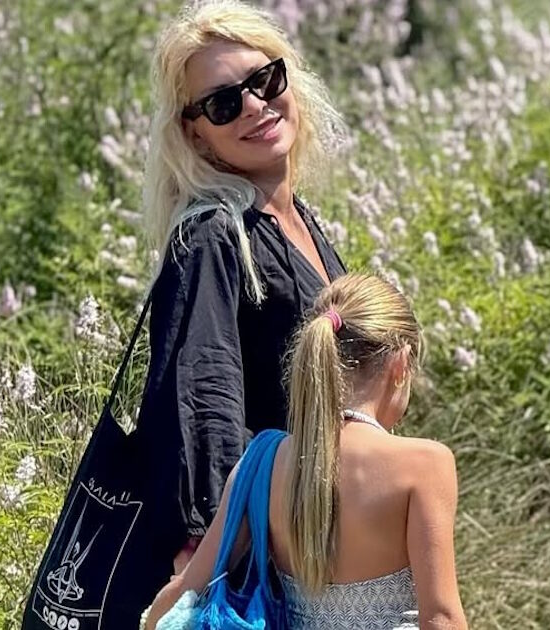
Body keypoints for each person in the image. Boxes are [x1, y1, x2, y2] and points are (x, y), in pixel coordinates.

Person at [136, 0, 348, 579]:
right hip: (267, 561)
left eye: (265, 80)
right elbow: (203, 405)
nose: (255, 106)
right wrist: (214, 568)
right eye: (224, 104)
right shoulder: (211, 236)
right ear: (196, 134)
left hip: (319, 544)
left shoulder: (296, 219)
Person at [144, 273, 468, 630]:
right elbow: (442, 618)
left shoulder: (263, 462)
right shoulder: (424, 465)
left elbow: (185, 591)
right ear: (401, 364)